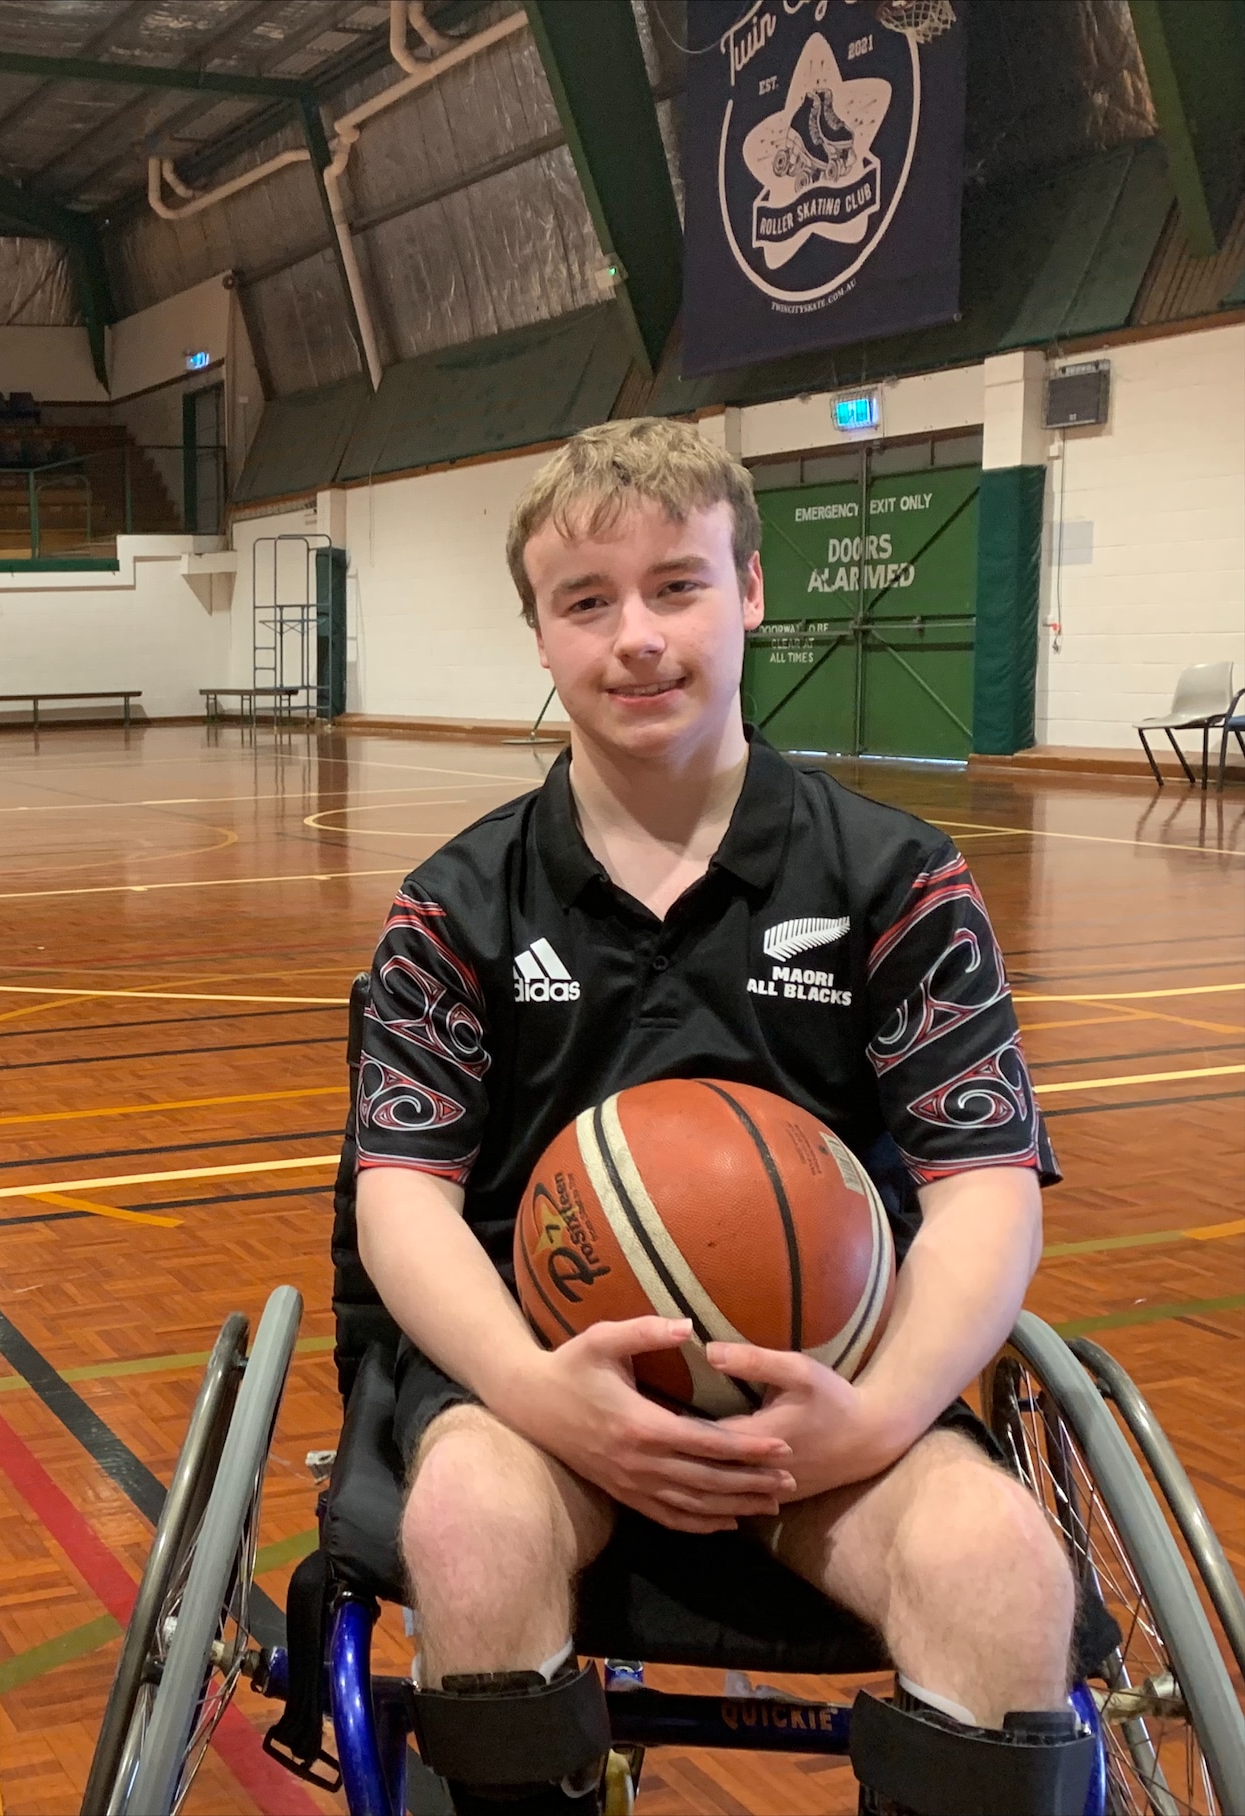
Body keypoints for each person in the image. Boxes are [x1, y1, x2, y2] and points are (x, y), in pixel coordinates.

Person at [352, 419, 1086, 1815]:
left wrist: (867, 1423)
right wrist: (532, 1391)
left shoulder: (900, 881)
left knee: (1000, 1566)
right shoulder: (454, 906)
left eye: (676, 586)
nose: (636, 637)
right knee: (466, 1520)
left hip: (832, 1403)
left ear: (751, 591)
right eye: (587, 601)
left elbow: (988, 1191)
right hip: (543, 1396)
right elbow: (401, 1201)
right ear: (540, 633)